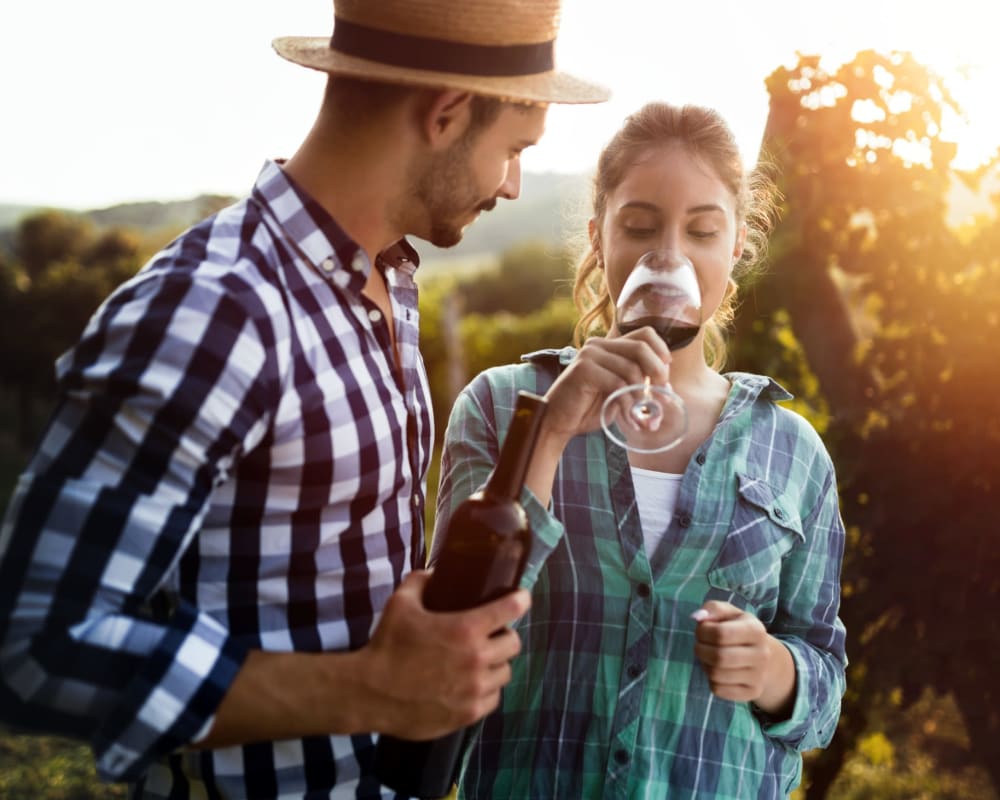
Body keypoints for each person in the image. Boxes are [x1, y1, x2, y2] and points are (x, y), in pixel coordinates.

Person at [0, 2, 609, 798]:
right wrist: (372, 686)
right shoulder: (215, 311)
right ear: (448, 112)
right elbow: (36, 647)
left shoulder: (385, 278)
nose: (513, 183)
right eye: (515, 149)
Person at [432, 101, 848, 798]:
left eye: (703, 231)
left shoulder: (793, 450)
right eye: (640, 226)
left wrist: (778, 671)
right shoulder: (503, 405)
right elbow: (446, 633)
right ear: (599, 238)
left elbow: (825, 686)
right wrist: (553, 430)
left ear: (738, 244)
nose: (669, 257)